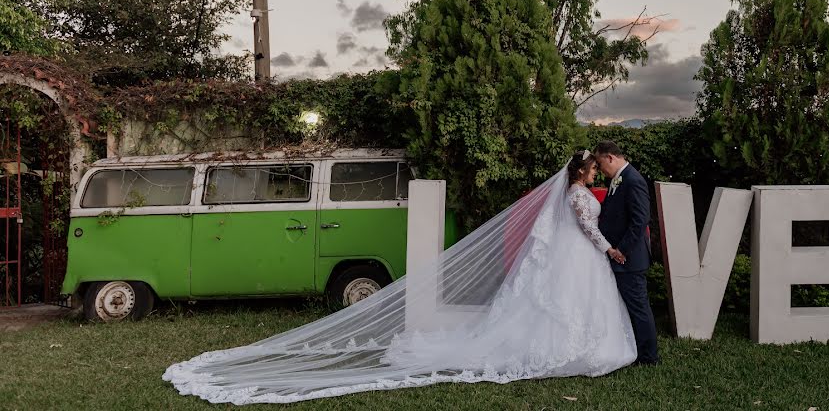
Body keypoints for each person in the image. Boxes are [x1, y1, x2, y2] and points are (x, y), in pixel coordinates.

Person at [164, 150, 638, 405]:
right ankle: (568, 349)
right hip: (583, 256)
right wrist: (610, 248)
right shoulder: (578, 197)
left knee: (556, 304)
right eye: (594, 166)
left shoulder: (574, 192)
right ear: (583, 171)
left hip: (575, 259)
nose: (598, 170)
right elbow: (588, 228)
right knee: (564, 306)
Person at [594, 140, 659, 365]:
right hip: (620, 257)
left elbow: (640, 221)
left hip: (629, 258)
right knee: (631, 306)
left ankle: (649, 358)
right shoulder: (618, 180)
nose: (601, 170)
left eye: (601, 164)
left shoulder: (633, 180)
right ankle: (636, 351)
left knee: (639, 307)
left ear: (610, 157)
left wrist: (621, 250)